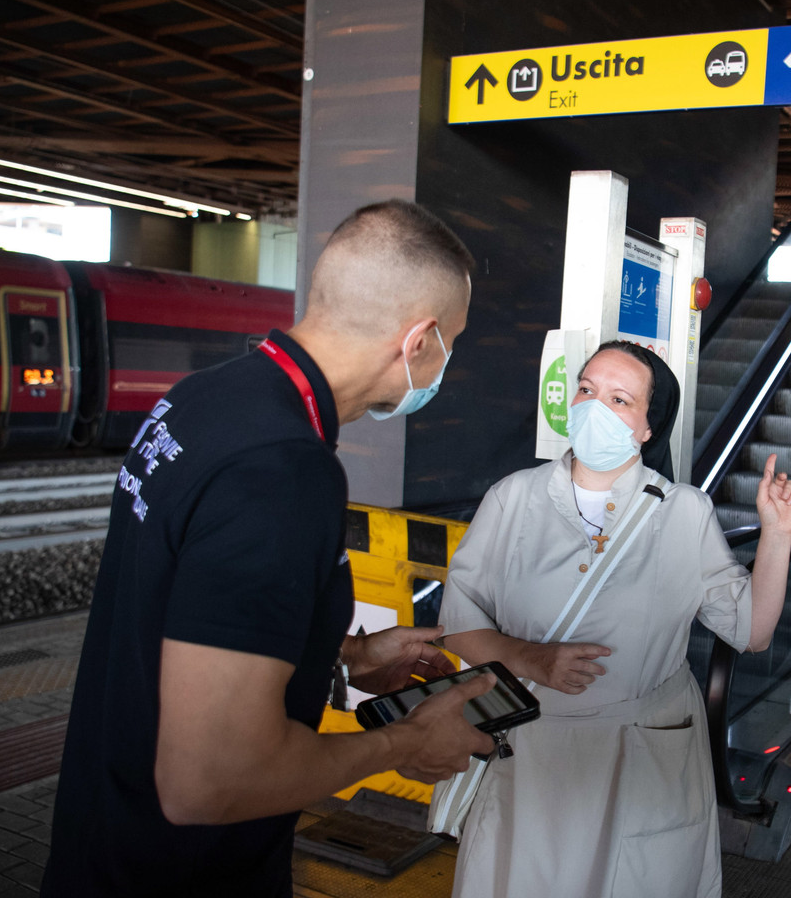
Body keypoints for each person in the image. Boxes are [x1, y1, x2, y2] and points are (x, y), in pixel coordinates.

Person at [41, 200, 497, 897]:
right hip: (181, 875)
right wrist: (406, 743)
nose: (445, 366)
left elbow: (185, 612)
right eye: (452, 343)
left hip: (103, 842)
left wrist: (342, 658)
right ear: (420, 341)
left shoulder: (204, 400)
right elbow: (207, 781)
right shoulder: (281, 469)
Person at [437, 340, 791, 898]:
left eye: (619, 399)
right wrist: (528, 657)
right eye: (586, 389)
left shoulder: (683, 512)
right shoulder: (513, 499)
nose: (594, 407)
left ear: (647, 428)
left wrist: (777, 534)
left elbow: (751, 632)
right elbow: (459, 621)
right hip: (531, 754)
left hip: (640, 754)